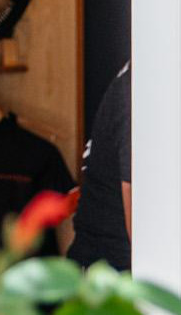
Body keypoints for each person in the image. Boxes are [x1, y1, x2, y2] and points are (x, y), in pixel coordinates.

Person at [69, 62, 131, 270]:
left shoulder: (132, 83)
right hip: (107, 271)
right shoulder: (134, 92)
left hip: (107, 262)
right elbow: (135, 199)